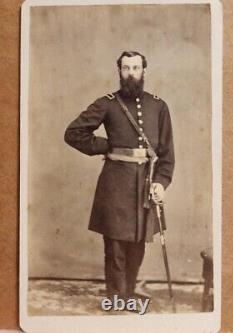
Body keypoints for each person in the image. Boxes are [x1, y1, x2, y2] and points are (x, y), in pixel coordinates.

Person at [64, 51, 175, 303]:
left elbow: (167, 153)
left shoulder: (159, 106)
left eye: (136, 68)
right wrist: (106, 145)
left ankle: (127, 294)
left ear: (144, 71)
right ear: (119, 71)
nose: (131, 73)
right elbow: (73, 133)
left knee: (137, 244)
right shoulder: (107, 103)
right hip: (115, 185)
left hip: (145, 185)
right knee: (114, 246)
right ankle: (116, 298)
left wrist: (161, 182)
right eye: (126, 68)